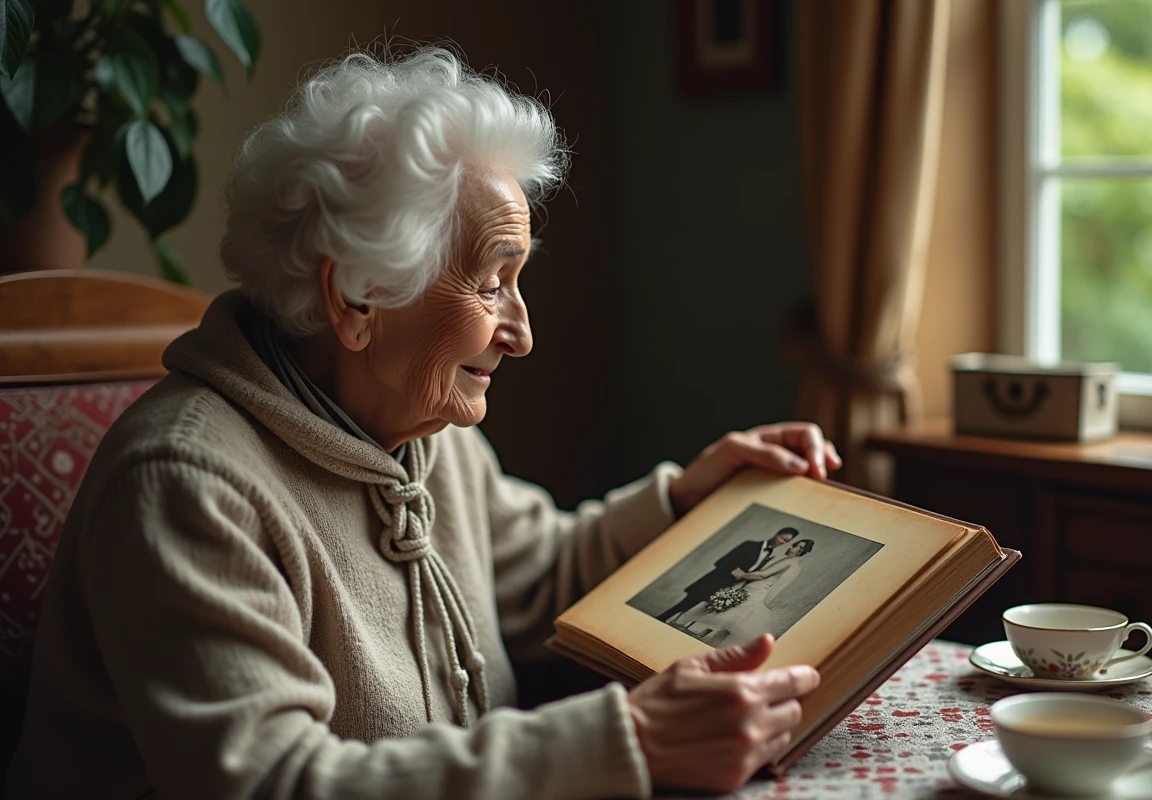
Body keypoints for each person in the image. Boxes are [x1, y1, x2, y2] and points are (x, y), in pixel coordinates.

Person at [6, 47, 843, 799]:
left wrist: (684, 498)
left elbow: (543, 575)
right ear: (356, 297)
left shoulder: (419, 429)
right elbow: (275, 782)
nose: (521, 332)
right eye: (491, 283)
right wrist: (630, 741)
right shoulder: (186, 484)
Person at [677, 539, 817, 645]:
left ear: (801, 552)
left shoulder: (789, 562)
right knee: (732, 613)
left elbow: (763, 575)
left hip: (757, 589)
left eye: (798, 547)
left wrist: (742, 574)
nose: (792, 547)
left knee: (732, 612)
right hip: (757, 588)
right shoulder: (794, 565)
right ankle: (702, 634)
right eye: (795, 544)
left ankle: (702, 634)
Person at [656, 526, 799, 623]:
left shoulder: (770, 554)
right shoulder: (750, 545)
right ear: (777, 534)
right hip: (711, 583)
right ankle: (656, 621)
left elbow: (750, 573)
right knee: (682, 607)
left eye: (786, 542)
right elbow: (721, 562)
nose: (782, 542)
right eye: (782, 538)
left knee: (694, 615)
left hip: (725, 589)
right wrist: (734, 570)